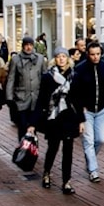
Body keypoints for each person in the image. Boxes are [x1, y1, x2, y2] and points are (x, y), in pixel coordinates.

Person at [34, 47, 81, 195]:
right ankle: (47, 173)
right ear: (55, 59)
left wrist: (81, 120)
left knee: (68, 151)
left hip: (69, 117)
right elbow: (41, 99)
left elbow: (77, 101)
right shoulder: (48, 77)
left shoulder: (74, 76)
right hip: (53, 118)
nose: (62, 59)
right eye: (59, 56)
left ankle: (66, 181)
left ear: (68, 58)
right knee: (53, 148)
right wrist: (32, 123)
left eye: (64, 56)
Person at [70, 42, 104, 183]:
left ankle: (90, 159)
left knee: (101, 138)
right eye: (92, 54)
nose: (95, 57)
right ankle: (93, 170)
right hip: (86, 111)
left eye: (98, 54)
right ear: (88, 54)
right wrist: (80, 109)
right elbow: (75, 92)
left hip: (102, 109)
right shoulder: (80, 69)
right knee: (88, 141)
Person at [6, 35, 47, 142]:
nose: (28, 48)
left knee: (34, 126)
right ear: (23, 46)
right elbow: (11, 79)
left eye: (30, 45)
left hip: (36, 98)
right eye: (26, 45)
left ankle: (32, 150)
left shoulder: (40, 59)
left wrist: (45, 96)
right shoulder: (16, 60)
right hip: (21, 98)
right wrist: (9, 97)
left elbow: (44, 77)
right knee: (23, 125)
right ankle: (23, 150)